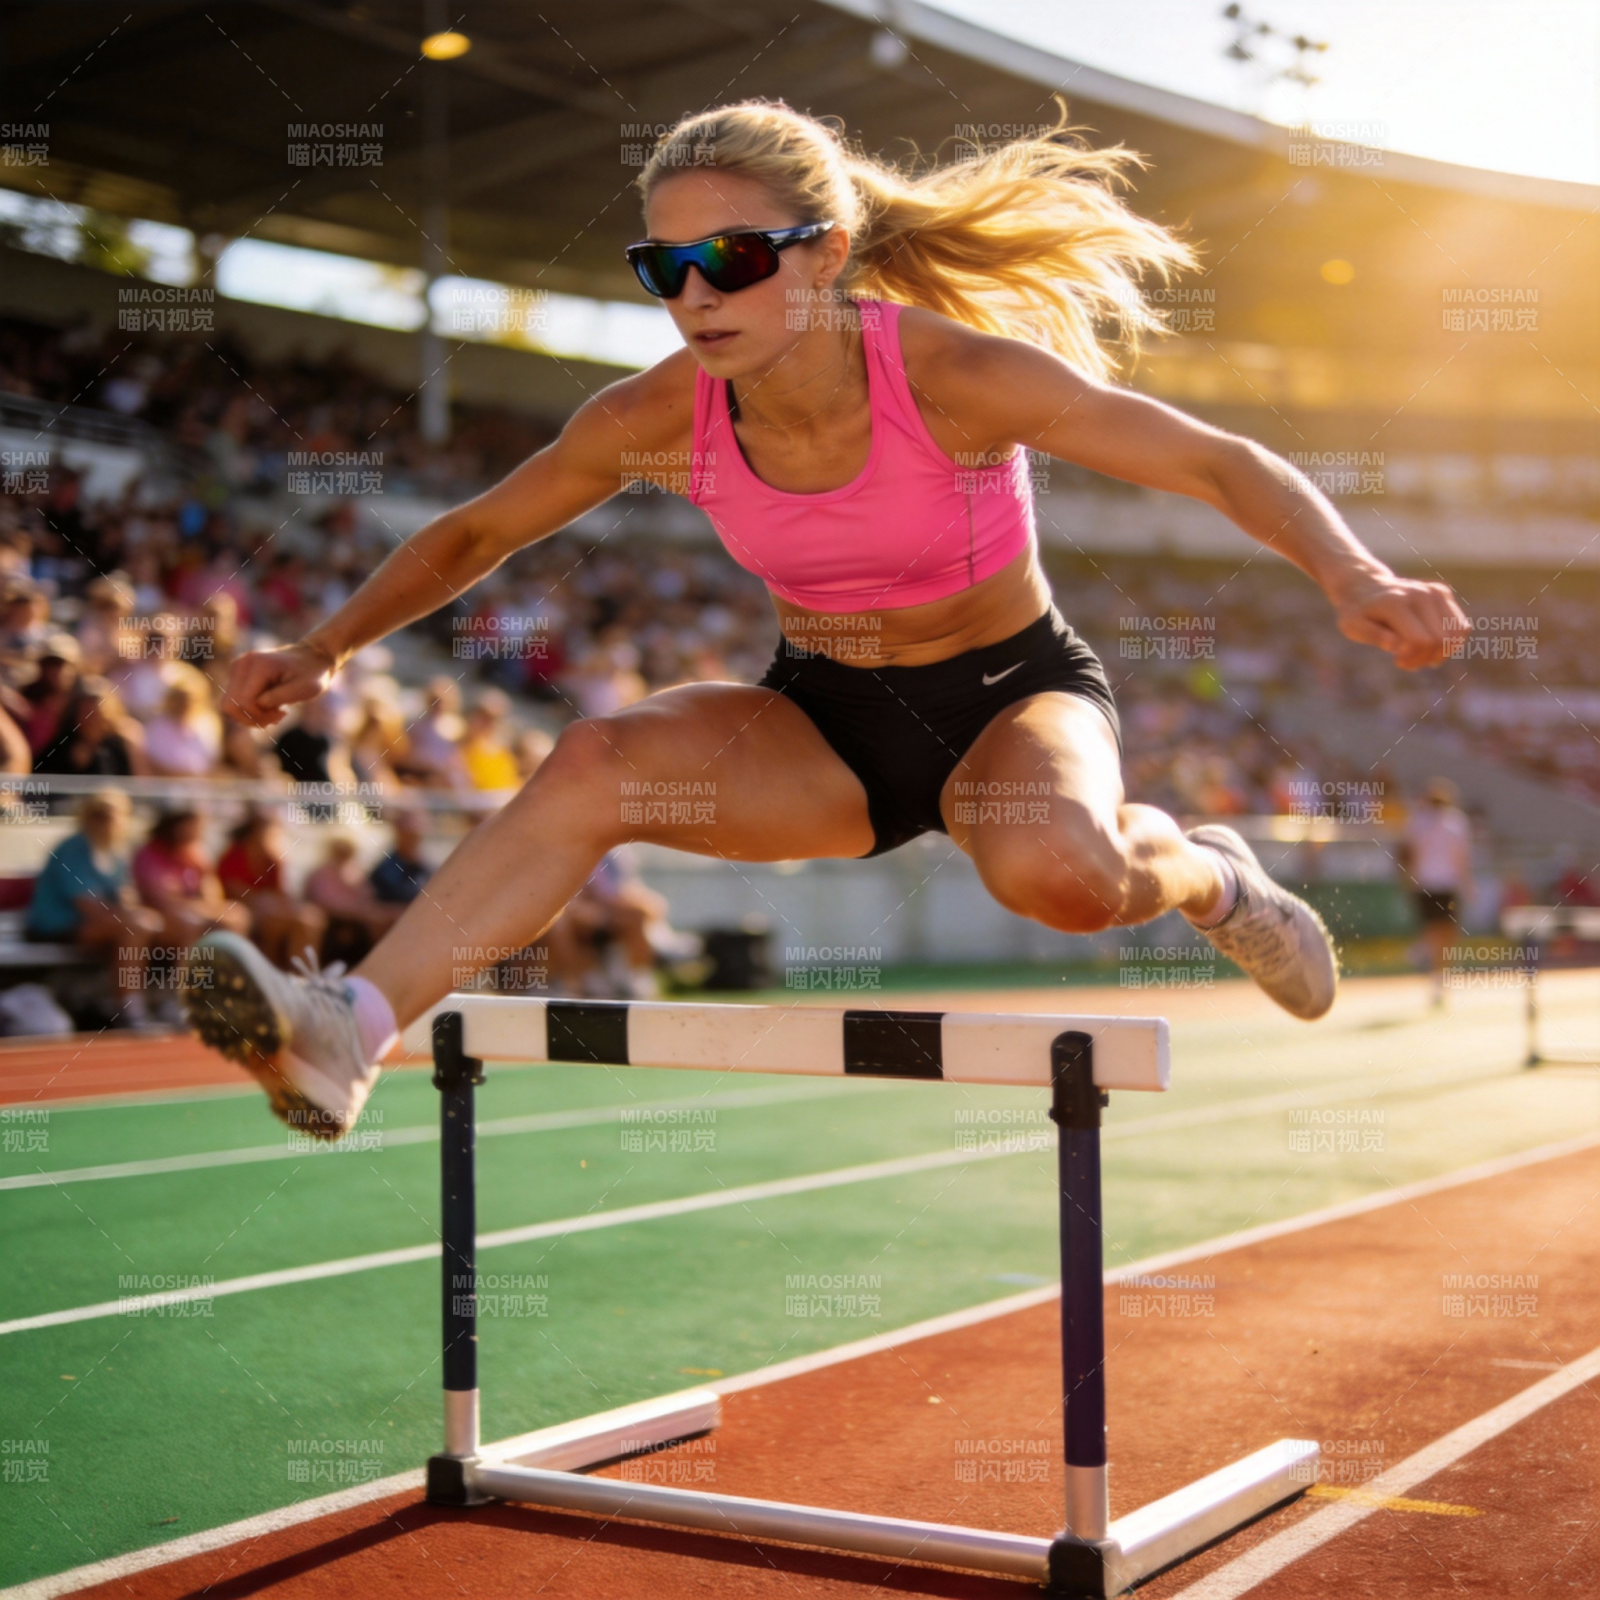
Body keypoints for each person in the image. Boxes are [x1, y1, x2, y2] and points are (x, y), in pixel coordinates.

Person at [185, 100, 1465, 1139]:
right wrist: (322, 645)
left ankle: (1218, 878)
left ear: (824, 252)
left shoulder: (953, 376)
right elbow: (476, 532)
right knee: (592, 761)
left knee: (1062, 878)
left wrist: (1353, 576)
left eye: (732, 258)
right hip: (824, 720)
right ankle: (349, 1028)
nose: (696, 294)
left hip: (1010, 696)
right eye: (664, 268)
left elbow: (1218, 462)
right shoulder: (653, 415)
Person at [26, 790, 165, 1027]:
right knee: (134, 928)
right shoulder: (73, 850)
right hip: (57, 926)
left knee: (156, 926)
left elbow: (124, 899)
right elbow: (90, 907)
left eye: (113, 816)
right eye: (99, 815)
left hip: (95, 925)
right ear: (87, 817)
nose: (106, 822)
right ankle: (130, 1008)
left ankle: (172, 1001)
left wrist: (136, 911)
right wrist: (135, 916)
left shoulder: (115, 853)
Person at [217, 810, 327, 970]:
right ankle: (269, 970)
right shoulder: (234, 856)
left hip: (268, 907)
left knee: (310, 920)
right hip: (244, 908)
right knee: (274, 922)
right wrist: (268, 902)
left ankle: (303, 972)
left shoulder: (272, 860)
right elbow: (236, 893)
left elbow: (281, 893)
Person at [1400, 776, 1474, 1006]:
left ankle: (1428, 960)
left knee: (1434, 930)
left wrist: (1409, 880)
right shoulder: (1455, 823)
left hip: (1426, 883)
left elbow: (1410, 856)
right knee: (1446, 933)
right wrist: (1467, 885)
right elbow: (1461, 858)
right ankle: (1439, 978)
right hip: (1446, 884)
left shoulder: (1418, 822)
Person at [134, 808, 250, 949]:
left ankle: (228, 961)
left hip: (193, 908)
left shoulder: (195, 853)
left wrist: (206, 873)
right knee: (192, 923)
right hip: (160, 912)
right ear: (178, 827)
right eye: (195, 827)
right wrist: (202, 908)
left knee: (237, 915)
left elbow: (214, 898)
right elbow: (162, 899)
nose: (199, 832)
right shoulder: (150, 854)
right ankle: (186, 964)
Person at [35, 677, 149, 777]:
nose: (92, 719)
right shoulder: (62, 745)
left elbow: (134, 783)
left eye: (97, 713)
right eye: (86, 712)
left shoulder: (119, 745)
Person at [144, 680, 221, 777]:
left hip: (202, 783)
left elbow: (213, 761)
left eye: (192, 700)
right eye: (180, 699)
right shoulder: (157, 726)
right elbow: (153, 763)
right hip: (166, 783)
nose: (185, 704)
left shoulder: (208, 724)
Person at [369, 810, 433, 906]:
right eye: (408, 832)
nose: (412, 837)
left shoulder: (428, 866)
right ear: (398, 832)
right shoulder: (386, 869)